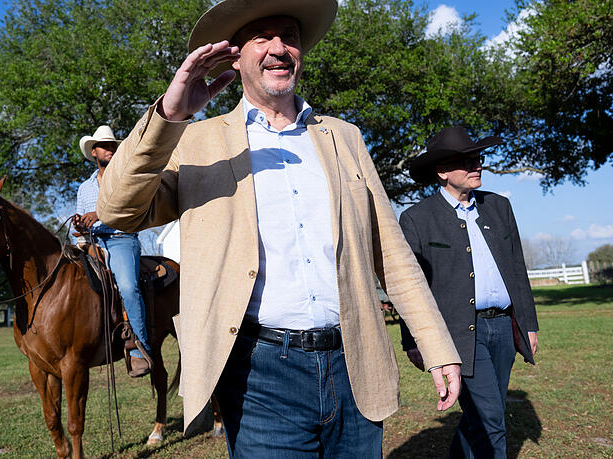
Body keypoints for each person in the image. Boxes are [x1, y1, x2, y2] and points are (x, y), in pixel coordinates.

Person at [97, 0, 462, 456]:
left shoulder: (344, 136)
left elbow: (390, 250)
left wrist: (436, 342)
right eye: (262, 37)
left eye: (288, 35)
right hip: (259, 373)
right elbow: (116, 209)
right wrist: (170, 114)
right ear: (235, 56)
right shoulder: (195, 141)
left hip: (355, 361)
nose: (279, 48)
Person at [398, 126, 540, 458]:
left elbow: (518, 269)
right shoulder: (417, 219)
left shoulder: (499, 207)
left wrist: (528, 323)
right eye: (465, 161)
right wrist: (412, 340)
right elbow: (407, 286)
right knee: (491, 419)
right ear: (442, 171)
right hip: (458, 334)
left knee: (483, 414)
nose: (476, 165)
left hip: (504, 328)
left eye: (478, 158)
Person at [73, 125, 152, 378]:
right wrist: (78, 224)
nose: (110, 149)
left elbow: (132, 211)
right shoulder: (84, 188)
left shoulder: (125, 178)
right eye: (104, 146)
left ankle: (139, 349)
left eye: (112, 145)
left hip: (121, 238)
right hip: (91, 243)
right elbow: (80, 217)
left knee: (128, 287)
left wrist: (99, 214)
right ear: (93, 152)